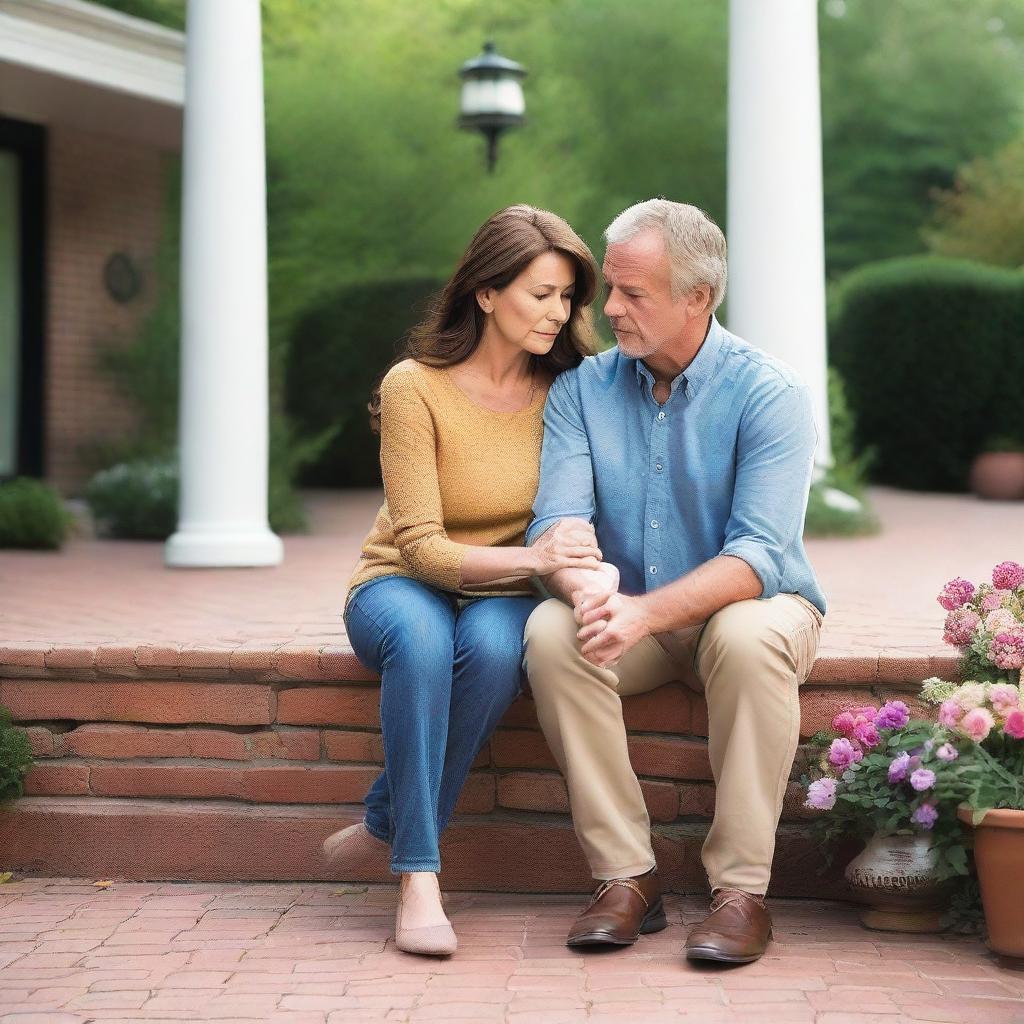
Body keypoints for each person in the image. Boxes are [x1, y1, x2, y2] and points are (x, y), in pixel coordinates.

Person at [523, 198, 826, 965]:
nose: (608, 309)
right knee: (553, 633)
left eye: (634, 294)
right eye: (611, 290)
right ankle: (627, 877)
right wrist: (583, 582)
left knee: (750, 634)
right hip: (631, 613)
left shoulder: (770, 393)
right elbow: (556, 524)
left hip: (756, 608)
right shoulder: (581, 392)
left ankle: (739, 893)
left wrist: (642, 612)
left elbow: (758, 555)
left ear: (699, 297)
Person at [324, 205, 602, 957]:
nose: (560, 312)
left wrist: (548, 564)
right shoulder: (416, 385)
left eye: (569, 297)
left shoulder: (571, 390)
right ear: (486, 292)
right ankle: (419, 877)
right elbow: (420, 548)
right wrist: (537, 560)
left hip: (505, 596)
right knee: (420, 637)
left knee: (487, 651)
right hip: (400, 583)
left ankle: (386, 819)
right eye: (541, 293)